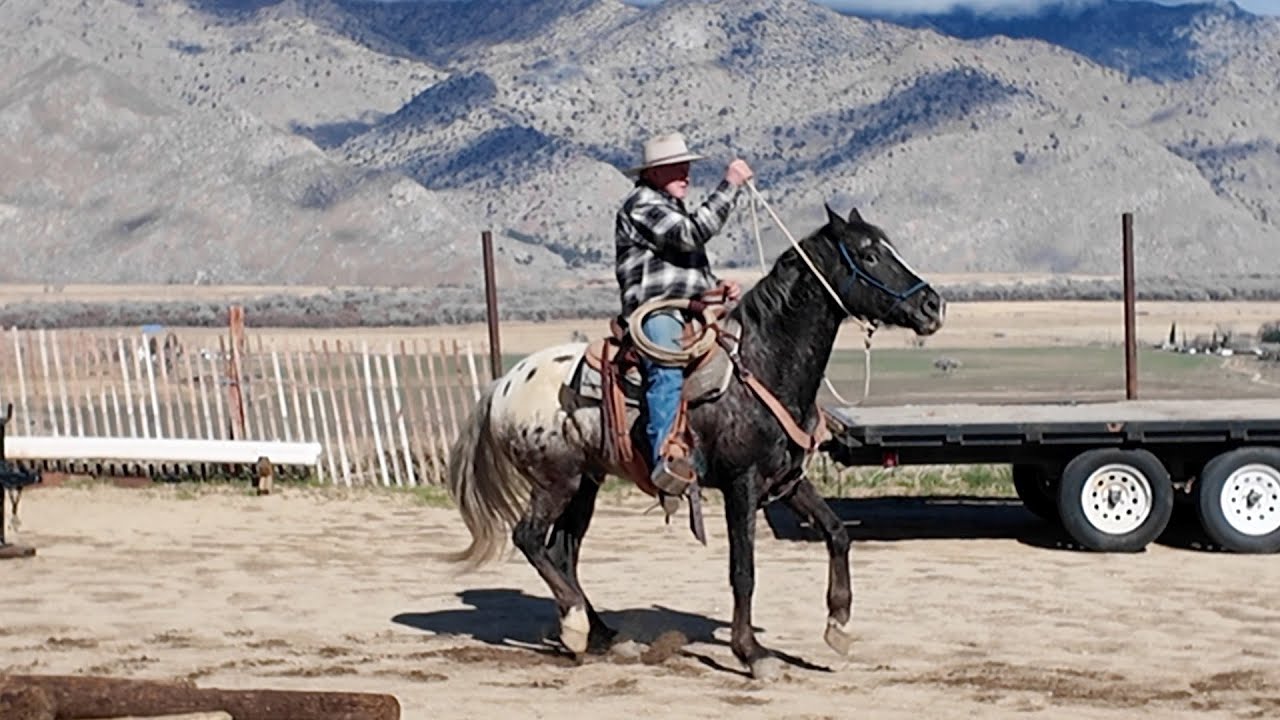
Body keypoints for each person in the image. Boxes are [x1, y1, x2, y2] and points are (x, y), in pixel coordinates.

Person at [614, 131, 754, 495]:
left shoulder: (669, 205)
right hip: (654, 312)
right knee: (666, 364)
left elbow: (684, 268)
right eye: (676, 167)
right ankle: (667, 459)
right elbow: (690, 235)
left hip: (688, 309)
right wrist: (730, 186)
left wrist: (716, 288)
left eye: (686, 166)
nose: (685, 174)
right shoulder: (642, 204)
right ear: (653, 173)